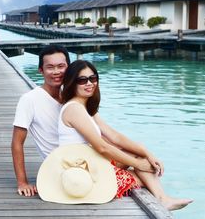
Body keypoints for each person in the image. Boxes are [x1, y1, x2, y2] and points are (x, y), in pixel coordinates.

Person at [56, 59, 192, 210]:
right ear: (72, 83)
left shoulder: (85, 107)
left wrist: (147, 153)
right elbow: (102, 148)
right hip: (82, 174)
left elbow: (115, 137)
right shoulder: (74, 109)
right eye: (82, 80)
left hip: (91, 163)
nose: (89, 83)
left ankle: (162, 198)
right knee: (142, 174)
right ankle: (162, 199)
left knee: (140, 156)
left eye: (93, 78)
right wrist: (138, 164)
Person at [11, 45, 70, 197]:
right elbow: (17, 143)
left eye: (61, 66)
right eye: (50, 67)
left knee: (136, 160)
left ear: (69, 68)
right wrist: (22, 182)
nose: (56, 72)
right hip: (62, 165)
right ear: (41, 70)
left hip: (82, 157)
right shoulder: (30, 100)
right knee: (136, 161)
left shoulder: (72, 97)